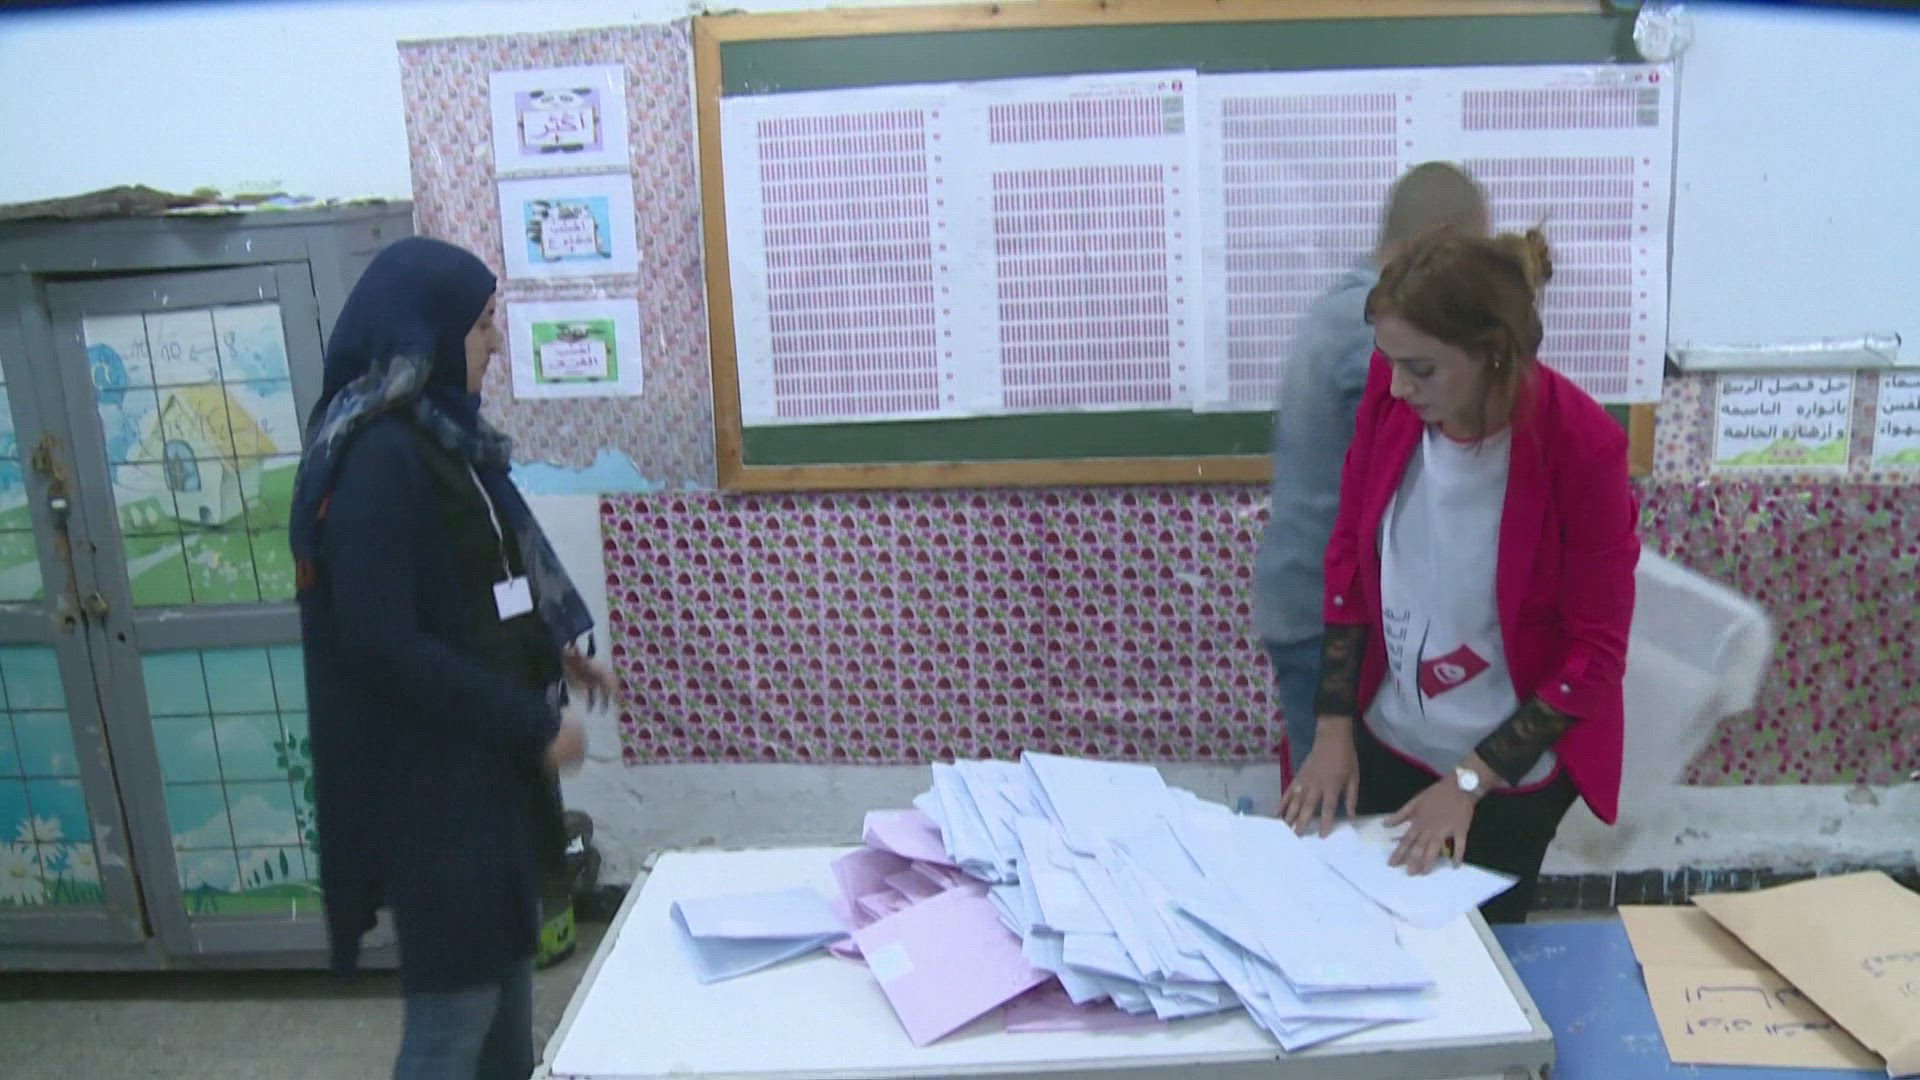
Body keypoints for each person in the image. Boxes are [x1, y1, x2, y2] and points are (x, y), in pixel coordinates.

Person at [289, 236, 619, 1079]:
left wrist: (551, 649)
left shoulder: (448, 442)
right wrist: (531, 722)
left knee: (506, 1000)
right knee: (456, 1016)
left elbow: (478, 578)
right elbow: (382, 643)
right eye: (481, 325)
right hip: (433, 795)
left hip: (486, 778)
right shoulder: (379, 460)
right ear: (427, 334)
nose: (496, 343)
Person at [1278, 227, 1639, 923]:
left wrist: (1469, 782)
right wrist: (1332, 728)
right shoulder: (1392, 394)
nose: (1397, 385)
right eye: (1390, 362)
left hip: (1506, 764)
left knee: (1474, 949)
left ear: (1492, 355)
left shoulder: (1582, 446)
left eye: (1421, 368)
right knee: (1346, 923)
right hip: (1391, 730)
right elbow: (1349, 559)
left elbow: (1594, 656)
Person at [1253, 163, 1489, 774]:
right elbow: (1415, 471)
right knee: (1338, 804)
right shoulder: (1374, 330)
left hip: (1310, 598)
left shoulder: (1345, 303)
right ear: (1439, 242)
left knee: (1335, 794)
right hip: (1328, 613)